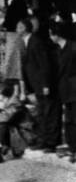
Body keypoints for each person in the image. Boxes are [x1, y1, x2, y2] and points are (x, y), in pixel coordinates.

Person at [18, 18, 57, 153]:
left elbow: (44, 63)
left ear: (26, 28)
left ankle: (50, 142)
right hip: (36, 84)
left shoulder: (36, 42)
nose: (17, 29)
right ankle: (44, 140)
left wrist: (46, 84)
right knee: (42, 113)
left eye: (20, 27)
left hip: (43, 84)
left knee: (48, 112)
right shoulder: (26, 42)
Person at [48, 22, 76, 162]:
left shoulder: (72, 48)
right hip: (65, 90)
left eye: (50, 33)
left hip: (74, 89)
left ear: (56, 34)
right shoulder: (57, 51)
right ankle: (72, 149)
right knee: (69, 121)